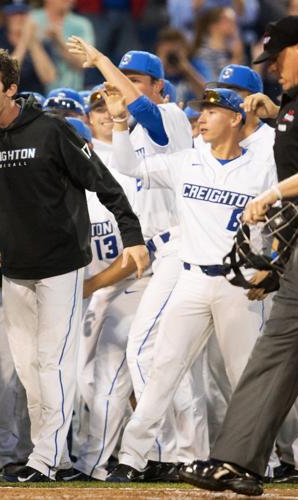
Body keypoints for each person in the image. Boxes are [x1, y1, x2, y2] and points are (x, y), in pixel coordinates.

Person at [0, 48, 148, 482]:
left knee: (52, 362)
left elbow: (104, 184)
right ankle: (58, 457)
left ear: (11, 89)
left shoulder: (52, 131)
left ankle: (44, 458)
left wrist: (132, 236)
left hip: (60, 266)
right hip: (14, 270)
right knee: (29, 368)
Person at [179, 16, 298, 498]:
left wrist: (275, 192)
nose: (272, 68)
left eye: (277, 59)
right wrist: (278, 112)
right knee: (273, 355)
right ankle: (235, 462)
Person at [107, 85, 277, 481]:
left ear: (236, 119)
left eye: (213, 111)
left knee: (244, 378)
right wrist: (119, 122)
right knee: (163, 368)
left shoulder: (261, 166)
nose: (201, 117)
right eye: (202, 110)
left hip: (239, 286)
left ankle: (255, 462)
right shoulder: (186, 160)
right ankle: (132, 458)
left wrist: (273, 265)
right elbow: (130, 167)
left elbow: (285, 211)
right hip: (191, 280)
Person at [67, 37, 198, 480]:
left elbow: (143, 110)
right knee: (160, 358)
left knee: (151, 354)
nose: (121, 86)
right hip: (155, 255)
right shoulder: (139, 128)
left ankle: (171, 454)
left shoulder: (172, 117)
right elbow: (126, 166)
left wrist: (102, 62)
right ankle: (174, 453)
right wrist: (118, 122)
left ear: (159, 85)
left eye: (135, 80)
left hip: (180, 247)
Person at [0, 0, 57, 97]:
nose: (19, 19)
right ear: (7, 18)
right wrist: (25, 39)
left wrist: (33, 41)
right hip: (8, 101)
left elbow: (49, 77)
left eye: (22, 14)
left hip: (35, 103)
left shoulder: (42, 43)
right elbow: (6, 74)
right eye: (14, 15)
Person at [29, 0, 95, 92]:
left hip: (72, 92)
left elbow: (83, 63)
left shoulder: (81, 25)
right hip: (34, 91)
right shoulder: (31, 19)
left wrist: (59, 41)